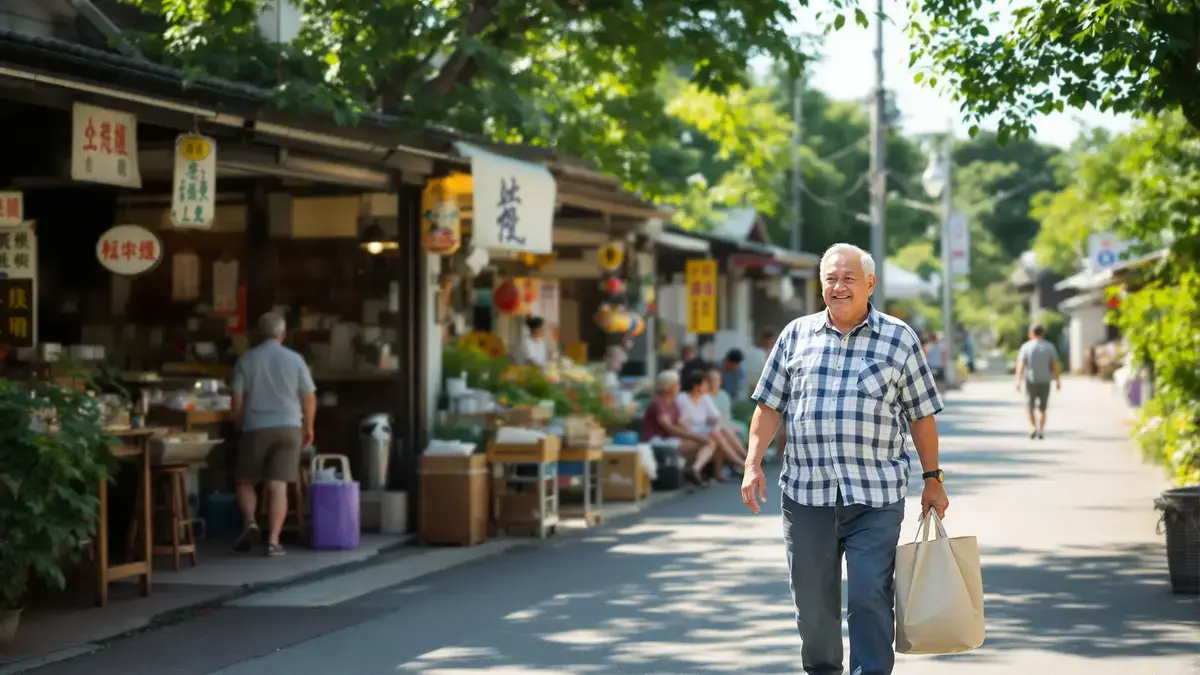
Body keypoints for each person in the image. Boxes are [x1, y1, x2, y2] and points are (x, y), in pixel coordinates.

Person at [741, 242, 948, 675]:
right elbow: (769, 406)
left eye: (848, 278)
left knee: (869, 594)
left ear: (870, 284)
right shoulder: (795, 335)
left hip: (875, 496)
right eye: (830, 279)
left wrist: (933, 478)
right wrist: (752, 463)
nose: (838, 287)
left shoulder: (899, 338)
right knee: (813, 605)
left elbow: (921, 415)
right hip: (806, 496)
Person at [231, 312, 318, 557]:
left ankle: (250, 521)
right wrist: (308, 427)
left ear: (259, 334)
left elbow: (237, 401)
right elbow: (310, 397)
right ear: (283, 334)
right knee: (279, 484)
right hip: (290, 427)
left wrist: (239, 423)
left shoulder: (246, 360)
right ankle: (273, 541)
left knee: (245, 481)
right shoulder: (296, 359)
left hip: (256, 426)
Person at [639, 370, 714, 485]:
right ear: (668, 387)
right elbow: (669, 428)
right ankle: (693, 469)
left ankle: (694, 469)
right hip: (658, 441)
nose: (679, 387)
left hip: (670, 439)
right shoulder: (658, 403)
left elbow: (681, 423)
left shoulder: (672, 403)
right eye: (676, 384)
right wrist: (694, 437)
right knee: (706, 443)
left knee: (708, 441)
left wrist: (696, 434)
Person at [675, 369, 746, 480]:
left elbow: (717, 417)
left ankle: (742, 461)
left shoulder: (704, 398)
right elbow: (680, 421)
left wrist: (716, 428)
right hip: (688, 434)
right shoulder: (682, 399)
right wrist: (698, 433)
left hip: (703, 432)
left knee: (720, 431)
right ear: (696, 386)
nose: (707, 387)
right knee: (716, 436)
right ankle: (743, 462)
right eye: (705, 384)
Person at [1015, 323, 1062, 439]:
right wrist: (1057, 380)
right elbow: (1054, 365)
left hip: (1031, 380)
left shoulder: (1026, 347)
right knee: (1043, 407)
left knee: (1030, 405)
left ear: (1031, 333)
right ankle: (1040, 429)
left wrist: (1018, 380)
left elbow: (1021, 365)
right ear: (1043, 333)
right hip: (1045, 380)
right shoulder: (1049, 347)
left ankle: (1032, 427)